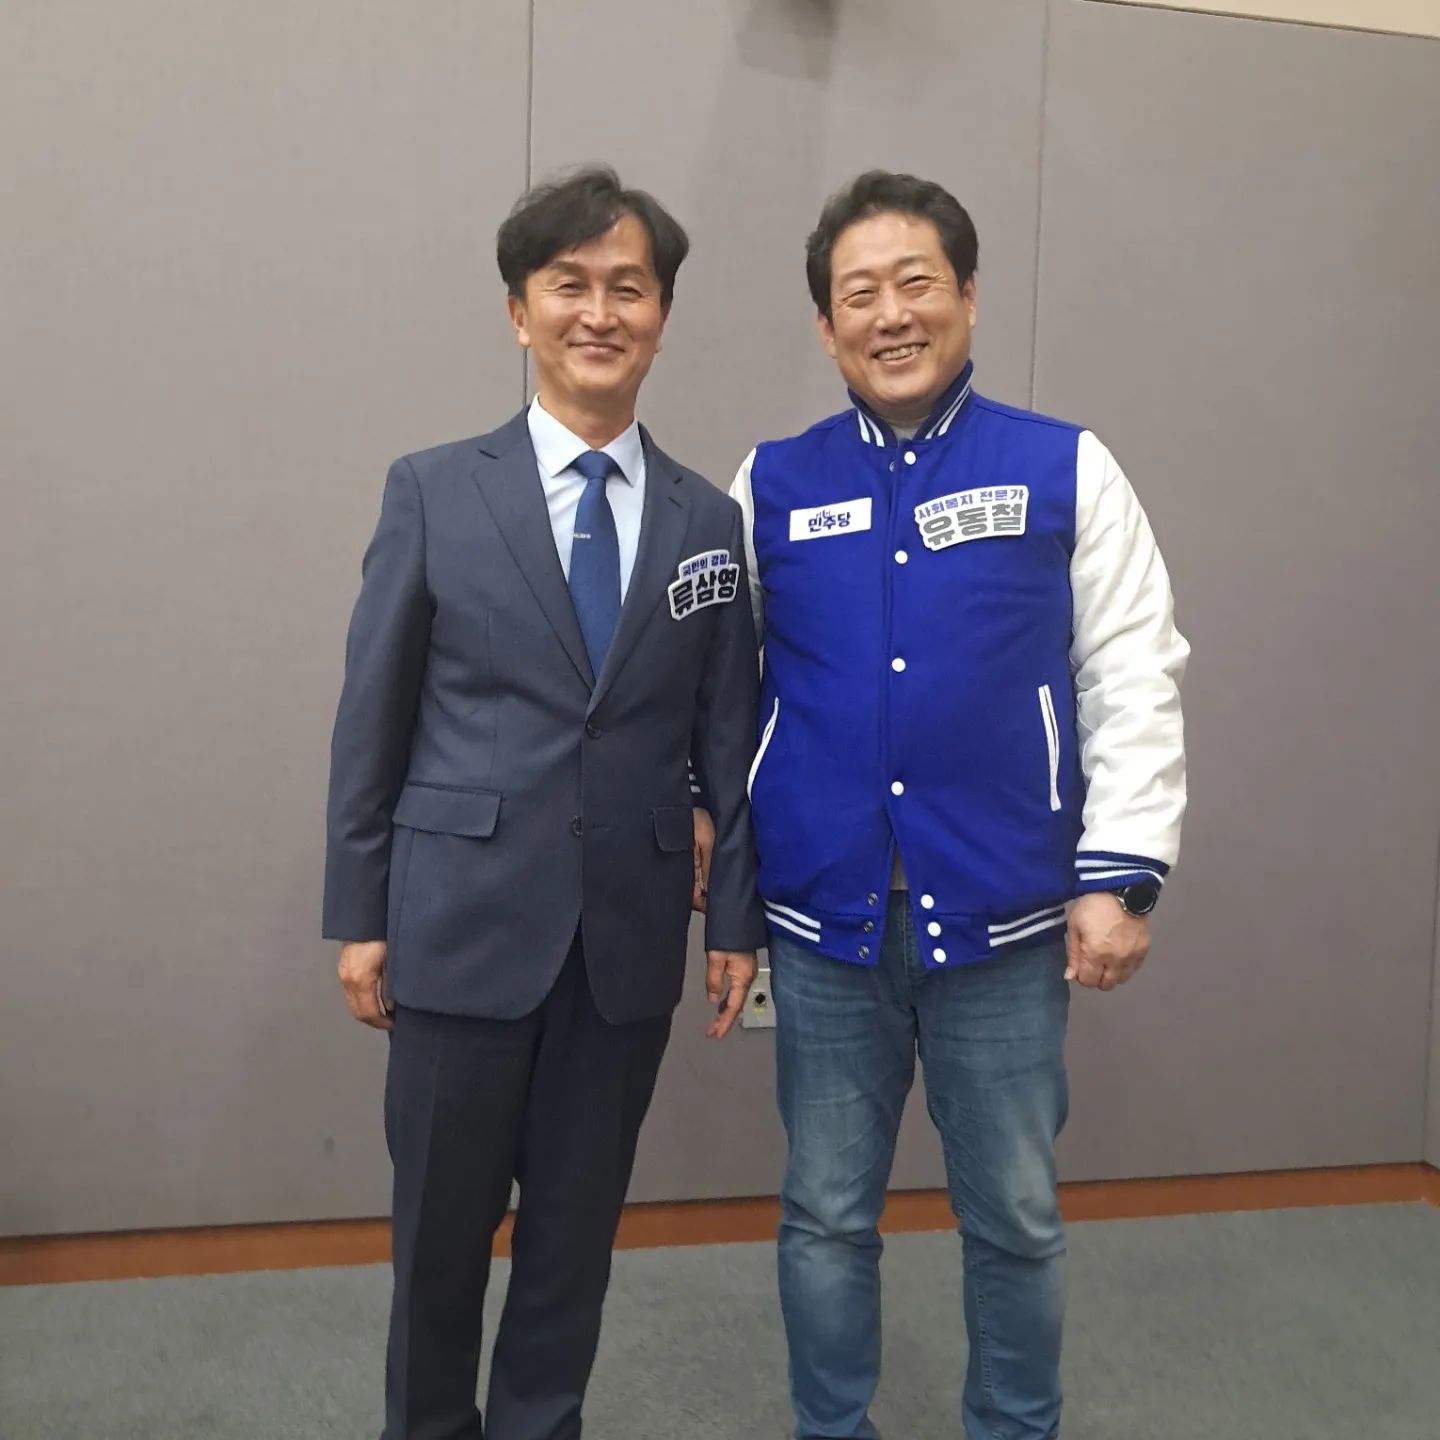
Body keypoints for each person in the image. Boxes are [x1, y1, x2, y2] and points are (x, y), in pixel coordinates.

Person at [730, 171, 1189, 1440]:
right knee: (825, 1216)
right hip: (826, 928)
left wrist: (1122, 873)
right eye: (858, 295)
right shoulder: (771, 483)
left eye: (916, 283)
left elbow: (1133, 669)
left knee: (1017, 1219)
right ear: (825, 326)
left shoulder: (1062, 467)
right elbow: (720, 697)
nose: (890, 315)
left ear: (970, 296)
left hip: (1007, 923)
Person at [323, 165, 764, 1440]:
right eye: (569, 285)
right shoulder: (432, 489)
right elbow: (373, 715)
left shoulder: (705, 521)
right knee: (438, 1245)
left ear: (662, 317)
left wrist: (734, 920)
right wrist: (361, 912)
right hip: (459, 928)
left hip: (623, 947)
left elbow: (726, 740)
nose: (600, 312)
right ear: (519, 312)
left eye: (630, 288)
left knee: (573, 1247)